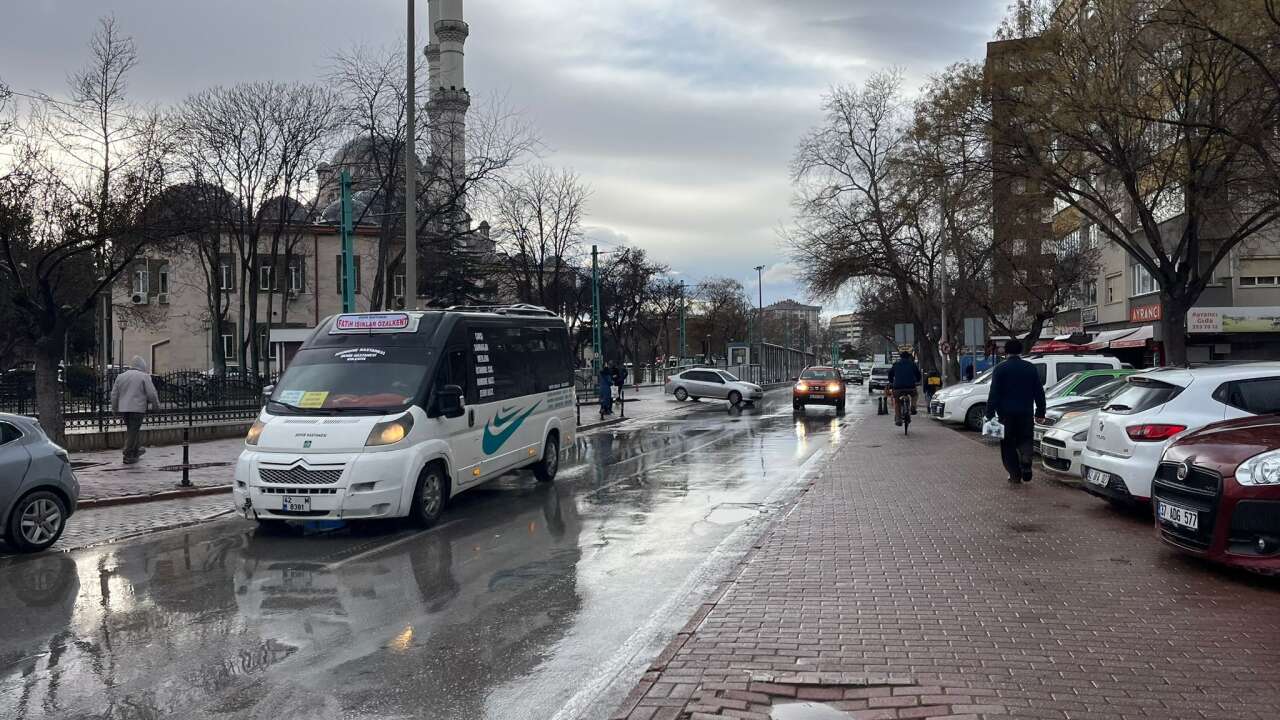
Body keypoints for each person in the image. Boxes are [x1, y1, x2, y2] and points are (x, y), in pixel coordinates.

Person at [984, 338, 1046, 484]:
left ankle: (1014, 474)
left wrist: (989, 414)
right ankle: (1026, 459)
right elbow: (1039, 392)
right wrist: (1040, 412)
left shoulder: (1000, 369)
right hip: (1026, 412)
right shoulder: (1030, 368)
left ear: (1006, 351)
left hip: (1006, 414)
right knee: (1026, 438)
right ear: (1020, 351)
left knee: (1008, 444)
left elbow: (994, 393)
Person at [110, 356, 160, 464]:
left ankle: (137, 450)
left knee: (132, 430)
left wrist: (114, 408)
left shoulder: (121, 376)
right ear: (142, 366)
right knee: (133, 431)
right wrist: (156, 406)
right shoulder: (144, 376)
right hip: (137, 408)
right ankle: (128, 453)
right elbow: (152, 394)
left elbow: (114, 395)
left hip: (124, 409)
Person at [886, 351, 923, 426]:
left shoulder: (896, 364)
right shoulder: (912, 364)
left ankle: (898, 419)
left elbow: (890, 374)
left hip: (898, 387)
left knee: (897, 402)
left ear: (901, 357)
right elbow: (918, 374)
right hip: (910, 386)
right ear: (908, 357)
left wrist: (891, 381)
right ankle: (913, 407)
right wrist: (917, 380)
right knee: (915, 395)